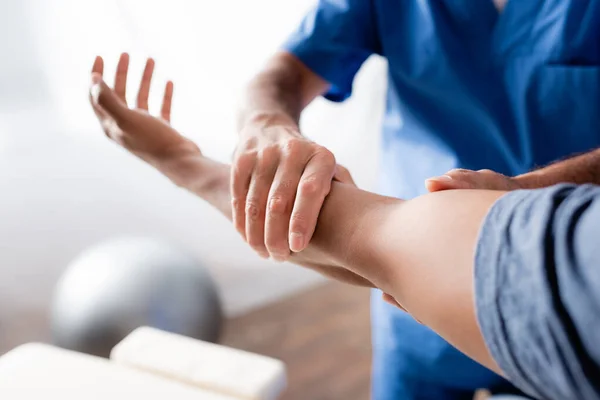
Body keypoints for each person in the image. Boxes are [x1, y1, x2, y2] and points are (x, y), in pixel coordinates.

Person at [88, 56, 600, 399]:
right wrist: (264, 123)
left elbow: (349, 229)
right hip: (434, 313)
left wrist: (183, 163)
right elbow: (281, 73)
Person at [231, 1, 600, 398]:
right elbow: (284, 71)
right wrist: (264, 123)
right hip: (416, 306)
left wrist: (524, 197)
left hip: (560, 288)